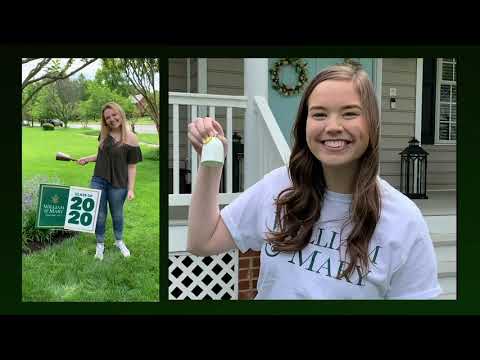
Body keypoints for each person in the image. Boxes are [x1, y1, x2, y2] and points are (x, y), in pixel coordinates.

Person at [187, 63, 442, 300]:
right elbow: (202, 242)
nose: (332, 126)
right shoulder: (278, 187)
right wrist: (211, 163)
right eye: (319, 114)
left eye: (350, 113)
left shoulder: (404, 220)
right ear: (304, 124)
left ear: (372, 123)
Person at [77, 102, 142, 260]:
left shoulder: (132, 139)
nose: (112, 119)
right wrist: (87, 158)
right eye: (107, 117)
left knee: (117, 214)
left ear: (121, 114)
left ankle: (119, 241)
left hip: (118, 184)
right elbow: (102, 156)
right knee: (99, 215)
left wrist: (131, 189)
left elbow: (132, 167)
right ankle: (100, 244)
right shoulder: (104, 134)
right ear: (104, 120)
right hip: (98, 179)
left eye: (114, 115)